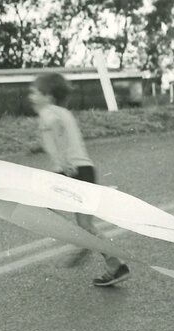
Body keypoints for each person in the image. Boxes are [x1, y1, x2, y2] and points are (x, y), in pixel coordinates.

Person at [28, 72, 131, 286]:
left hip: (69, 171)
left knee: (36, 205)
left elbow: (55, 127)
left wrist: (60, 158)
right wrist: (42, 147)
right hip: (85, 170)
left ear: (48, 96)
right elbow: (62, 133)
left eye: (34, 92)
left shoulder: (48, 112)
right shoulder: (64, 112)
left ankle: (80, 241)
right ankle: (116, 266)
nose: (30, 96)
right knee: (85, 224)